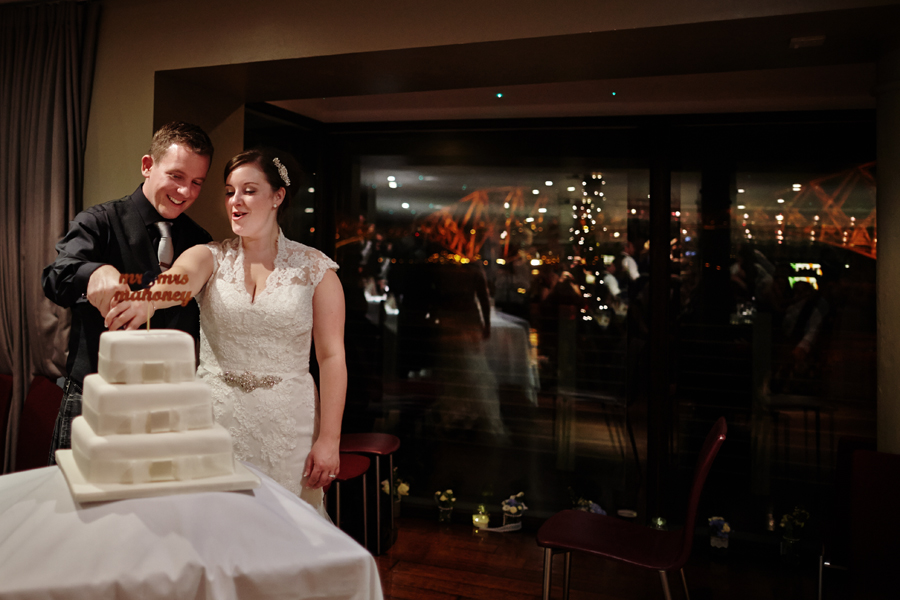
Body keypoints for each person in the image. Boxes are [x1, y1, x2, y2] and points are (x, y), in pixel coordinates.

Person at [105, 148, 346, 517]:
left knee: (284, 529)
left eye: (249, 190)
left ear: (277, 197)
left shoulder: (316, 271)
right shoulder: (210, 257)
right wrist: (145, 302)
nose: (235, 201)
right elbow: (176, 283)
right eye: (230, 191)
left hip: (287, 424)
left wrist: (330, 439)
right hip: (213, 419)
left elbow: (331, 359)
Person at [42, 122, 214, 464]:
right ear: (147, 166)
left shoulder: (199, 240)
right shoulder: (101, 221)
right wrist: (94, 272)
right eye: (177, 176)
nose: (185, 192)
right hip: (96, 394)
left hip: (167, 402)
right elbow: (56, 276)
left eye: (196, 183)